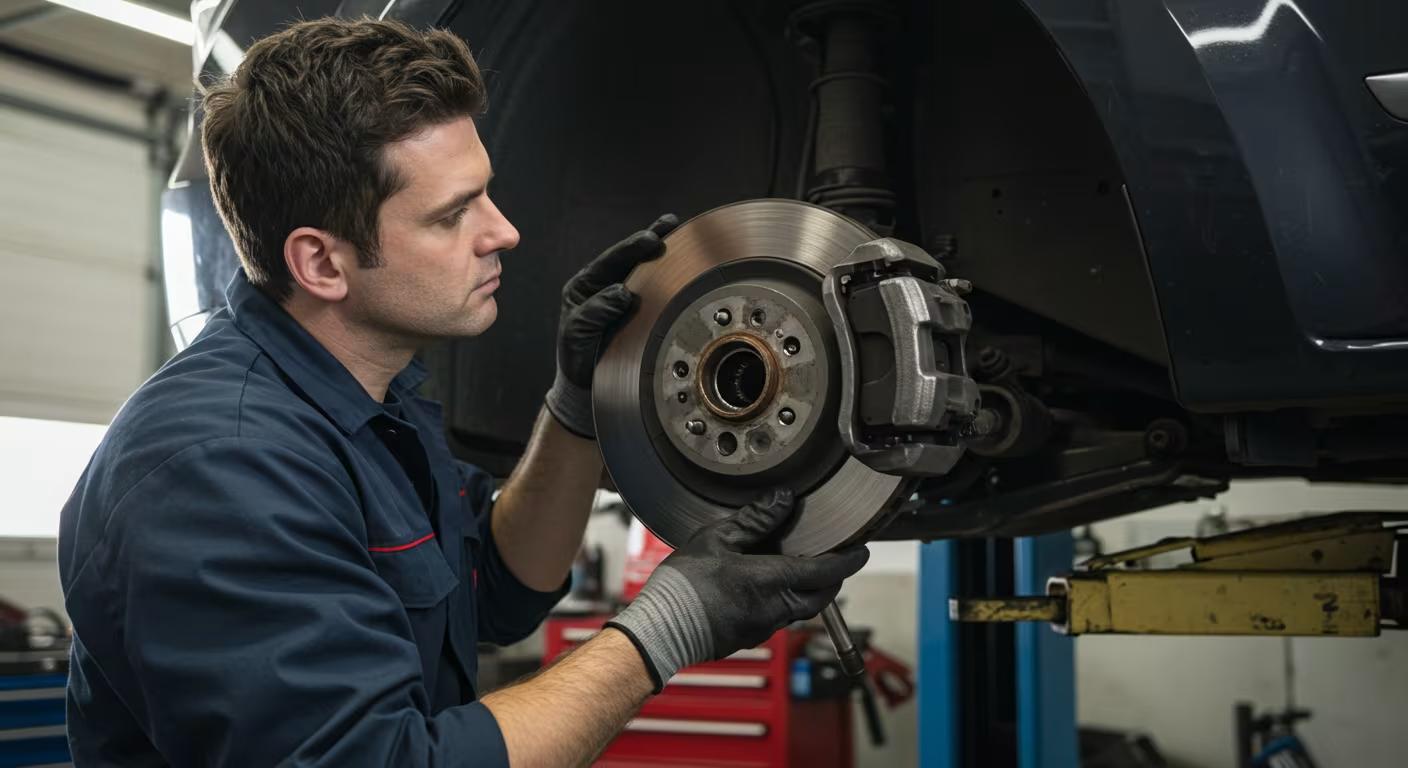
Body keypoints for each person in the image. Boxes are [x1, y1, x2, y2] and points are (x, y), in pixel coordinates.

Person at [57, 17, 868, 767]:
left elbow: (498, 592)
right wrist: (673, 622)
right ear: (322, 264)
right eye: (453, 215)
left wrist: (575, 404)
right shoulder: (218, 469)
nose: (504, 231)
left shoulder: (377, 397)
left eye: (486, 190)